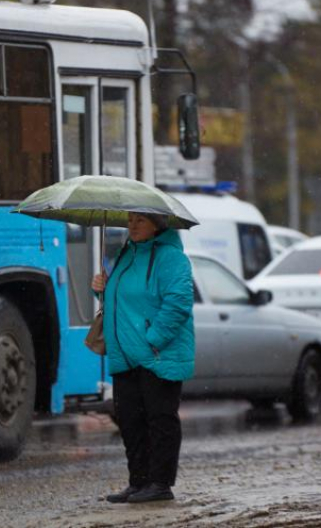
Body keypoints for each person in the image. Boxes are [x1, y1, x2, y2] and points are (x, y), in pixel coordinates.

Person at [92, 211, 195, 504]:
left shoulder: (171, 258)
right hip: (126, 355)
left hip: (157, 355)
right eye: (130, 221)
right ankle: (138, 482)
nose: (132, 226)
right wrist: (101, 288)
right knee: (130, 420)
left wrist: (153, 341)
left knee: (160, 420)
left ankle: (160, 483)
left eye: (140, 220)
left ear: (157, 224)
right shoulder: (128, 253)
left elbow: (178, 303)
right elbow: (122, 301)